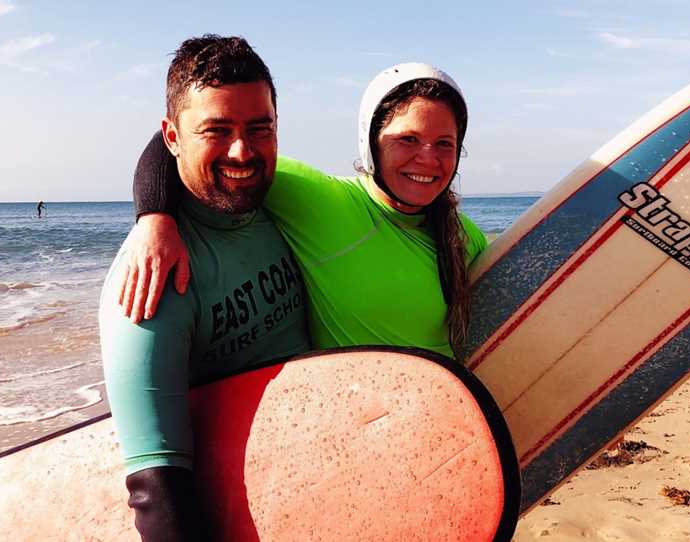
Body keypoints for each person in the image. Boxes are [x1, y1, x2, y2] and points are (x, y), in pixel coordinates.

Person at [123, 63, 487, 360]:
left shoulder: (464, 237)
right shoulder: (318, 201)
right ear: (370, 142)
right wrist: (155, 219)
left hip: (451, 424)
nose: (428, 158)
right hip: (360, 429)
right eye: (407, 139)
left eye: (444, 144)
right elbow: (177, 142)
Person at [99, 35, 310, 542]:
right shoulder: (150, 278)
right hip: (244, 516)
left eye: (260, 129)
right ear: (173, 137)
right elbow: (157, 486)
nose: (243, 151)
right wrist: (153, 217)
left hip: (317, 481)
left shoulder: (285, 203)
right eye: (215, 131)